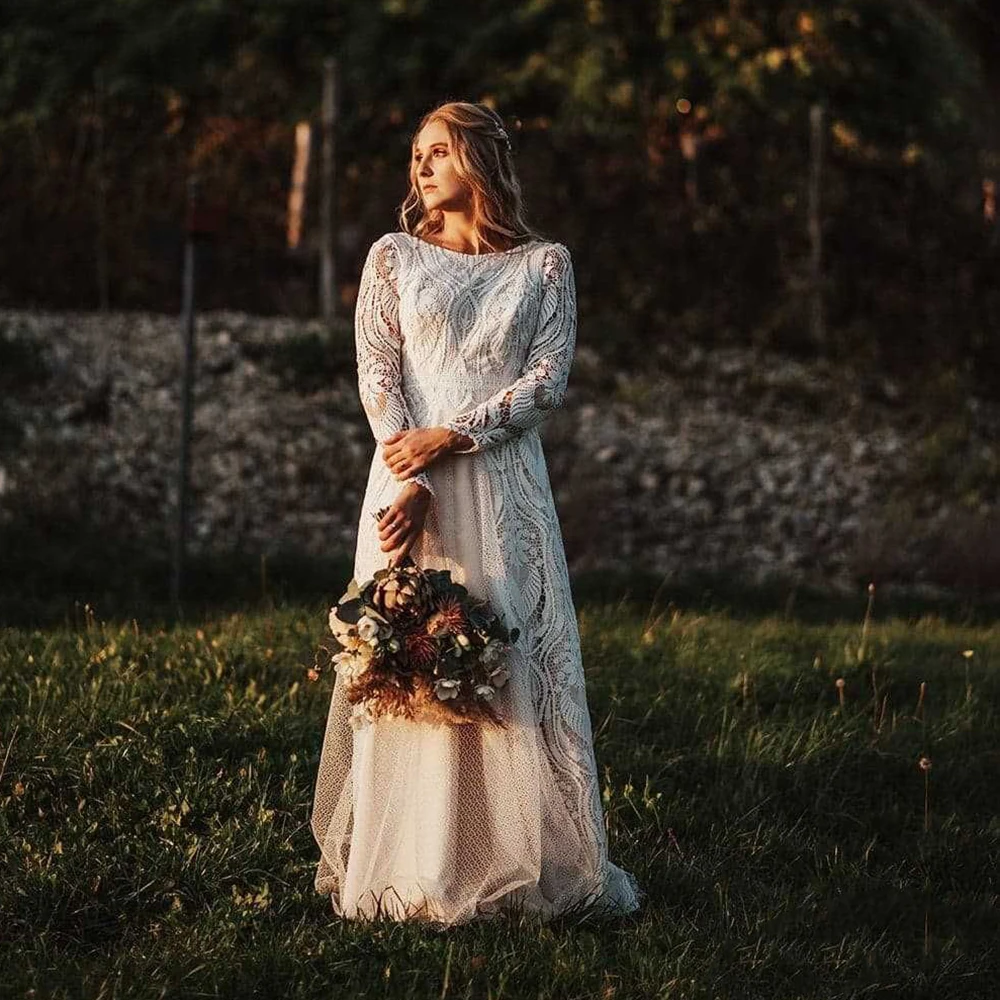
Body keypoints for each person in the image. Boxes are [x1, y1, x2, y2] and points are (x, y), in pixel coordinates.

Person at [310, 100, 643, 926]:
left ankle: (515, 865)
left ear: (480, 162)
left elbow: (544, 382)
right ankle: (412, 865)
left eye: (438, 152)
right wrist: (408, 465)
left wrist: (451, 436)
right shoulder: (393, 258)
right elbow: (377, 373)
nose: (420, 167)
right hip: (406, 489)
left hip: (502, 488)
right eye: (416, 153)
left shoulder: (545, 268)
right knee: (409, 660)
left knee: (506, 660)